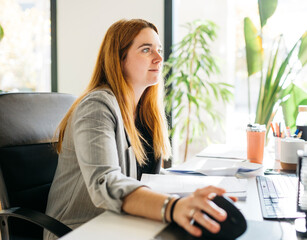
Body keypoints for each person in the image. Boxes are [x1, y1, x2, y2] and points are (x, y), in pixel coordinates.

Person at [44, 19, 233, 240]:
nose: (159, 58)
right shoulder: (96, 107)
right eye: (146, 50)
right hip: (79, 230)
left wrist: (195, 190)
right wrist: (173, 207)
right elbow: (105, 182)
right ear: (119, 59)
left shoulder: (144, 112)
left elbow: (147, 179)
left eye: (159, 50)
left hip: (122, 224)